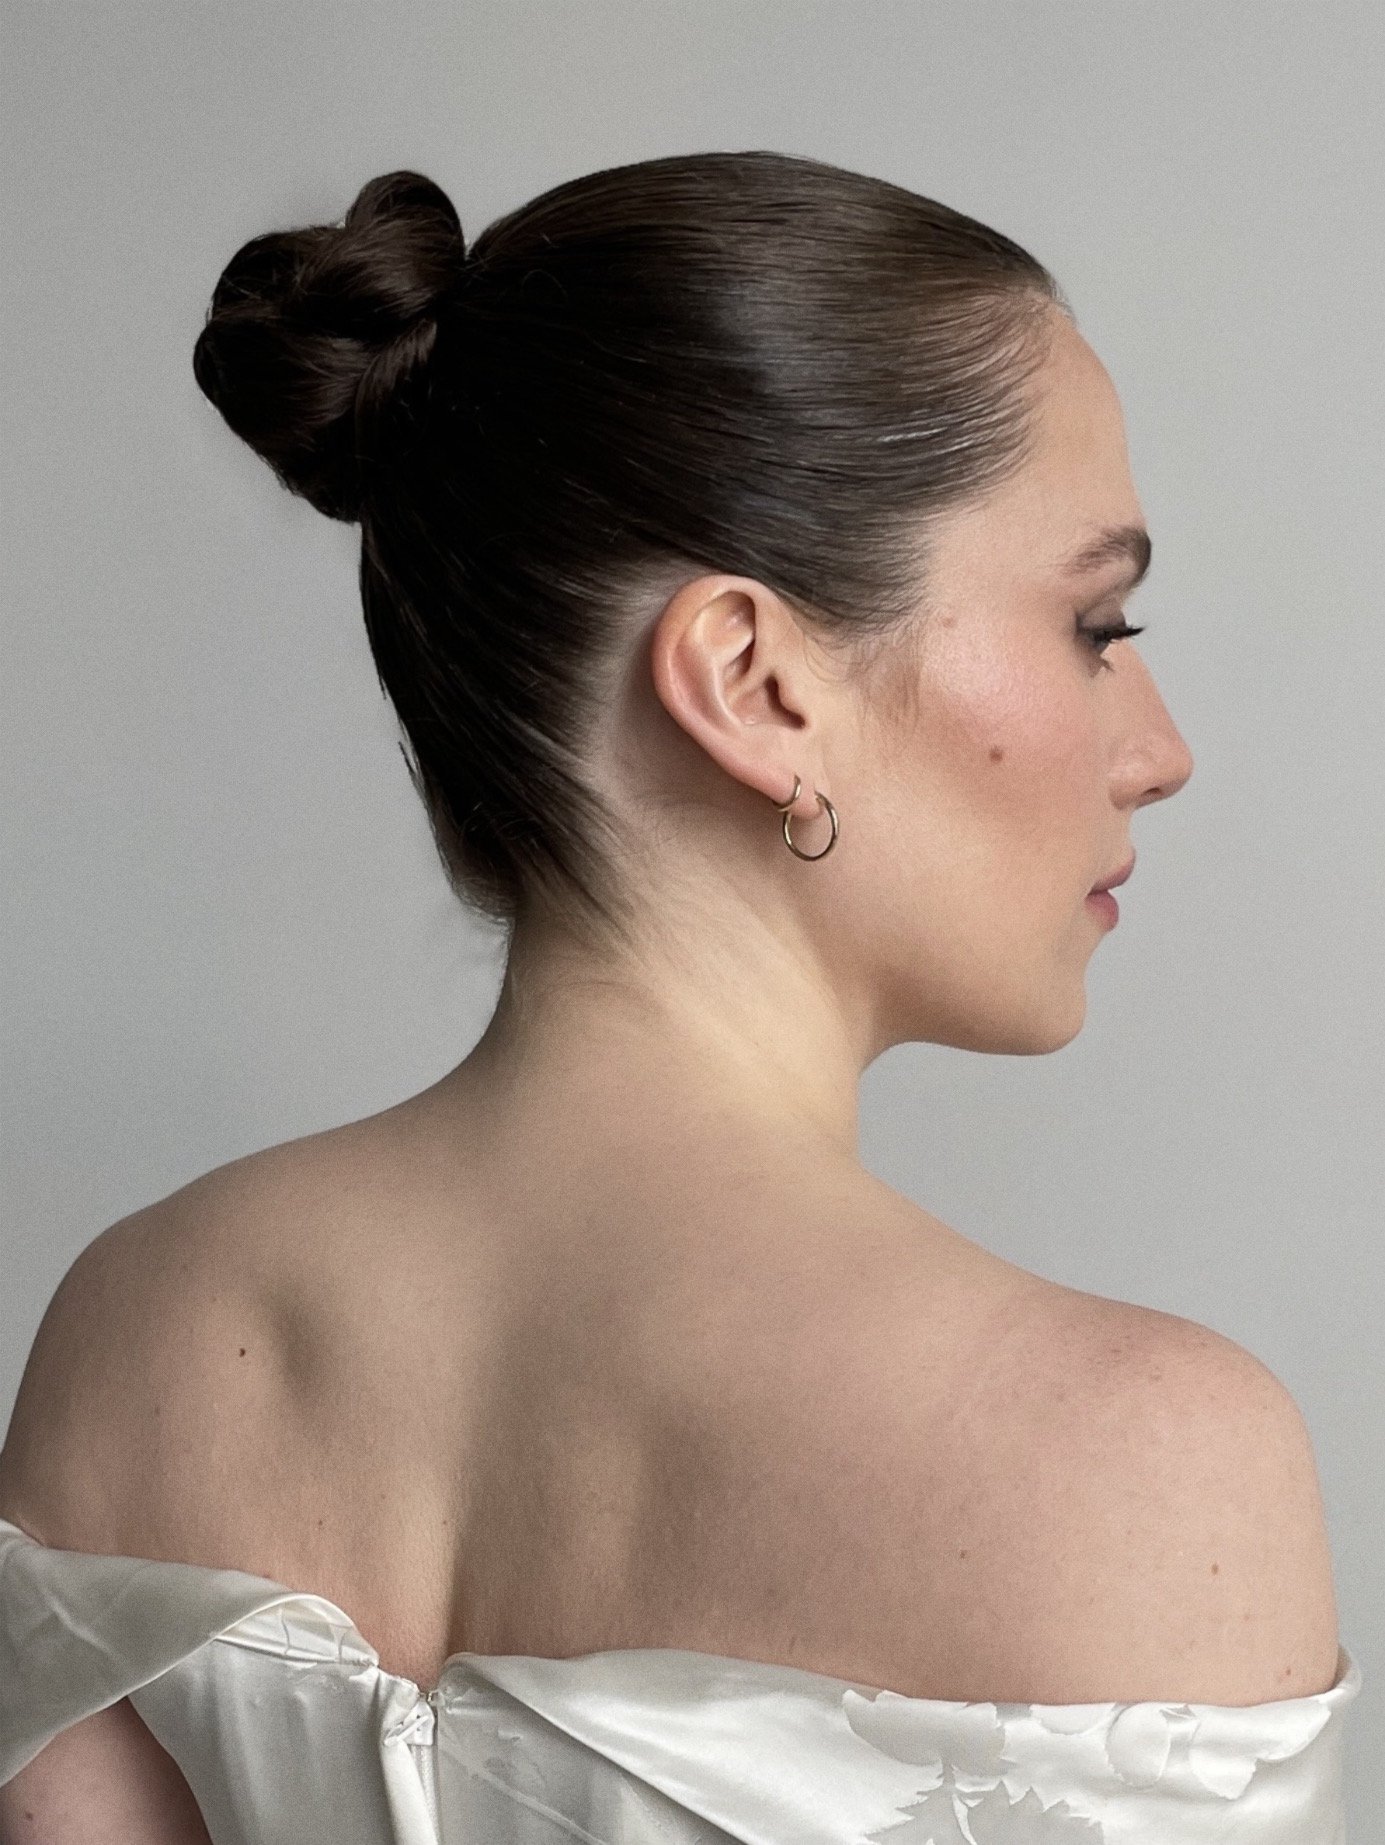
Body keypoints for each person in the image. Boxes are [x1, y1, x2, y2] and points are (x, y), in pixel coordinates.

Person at [0, 152, 1359, 1842]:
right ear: (748, 680)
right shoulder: (1141, 1462)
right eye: (1096, 620)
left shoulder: (136, 1331)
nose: (1156, 751)